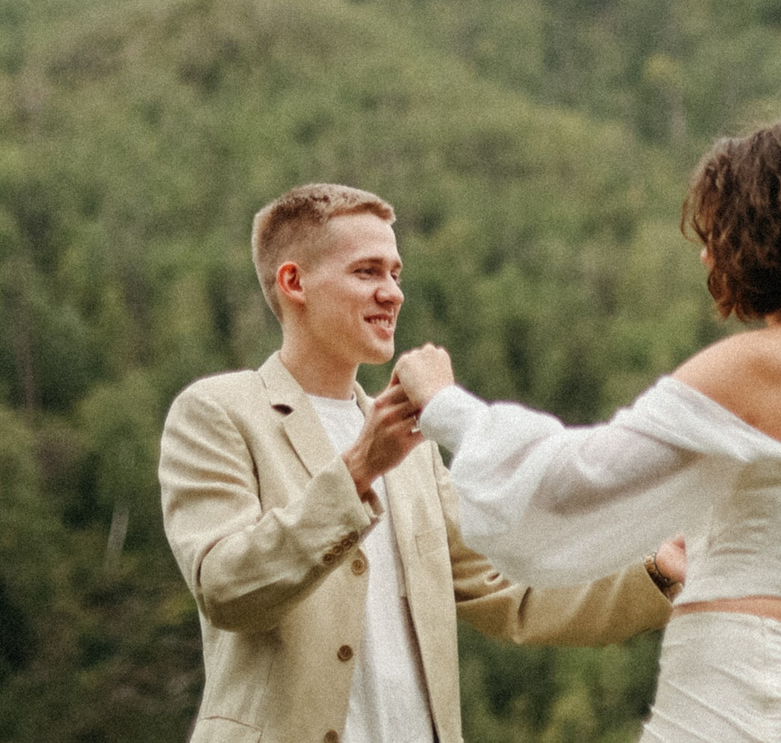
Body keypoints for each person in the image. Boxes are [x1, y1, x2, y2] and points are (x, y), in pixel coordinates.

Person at [390, 122, 781, 743]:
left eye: (715, 232)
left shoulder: (757, 366)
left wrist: (447, 406)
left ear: (760, 234)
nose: (706, 254)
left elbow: (576, 481)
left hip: (740, 692)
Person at [158, 182, 680, 743]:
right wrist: (358, 469)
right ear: (294, 282)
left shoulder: (414, 448)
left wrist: (656, 571)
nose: (393, 293)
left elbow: (512, 590)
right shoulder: (216, 412)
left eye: (396, 274)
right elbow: (226, 588)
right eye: (367, 272)